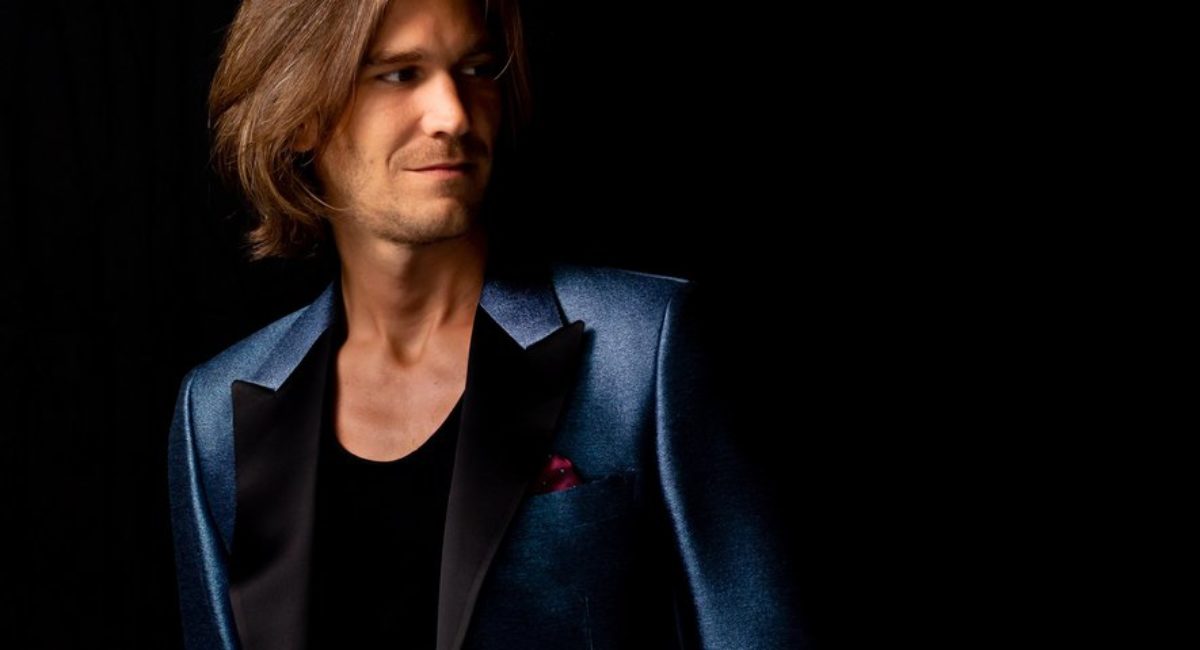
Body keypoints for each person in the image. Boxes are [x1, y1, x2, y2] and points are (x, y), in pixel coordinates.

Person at [166, 0, 805, 648]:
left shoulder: (642, 350)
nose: (453, 114)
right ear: (299, 114)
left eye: (475, 69)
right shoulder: (215, 415)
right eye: (399, 74)